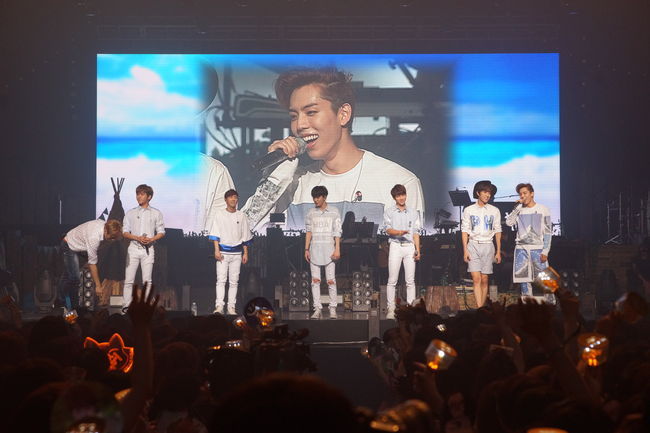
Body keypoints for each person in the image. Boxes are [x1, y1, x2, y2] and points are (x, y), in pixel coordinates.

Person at [241, 67, 424, 232]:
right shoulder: (290, 185)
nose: (300, 125)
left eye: (311, 112)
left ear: (343, 114)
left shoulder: (398, 182)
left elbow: (407, 248)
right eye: (294, 116)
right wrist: (274, 177)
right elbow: (239, 234)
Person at [57, 219, 123, 309]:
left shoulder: (106, 225)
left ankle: (63, 299)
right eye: (111, 237)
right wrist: (98, 286)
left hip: (81, 246)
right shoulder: (94, 237)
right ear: (105, 230)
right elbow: (92, 264)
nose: (112, 240)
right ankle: (65, 303)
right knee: (75, 278)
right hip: (69, 245)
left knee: (68, 275)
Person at [505, 182, 554, 303]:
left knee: (545, 278)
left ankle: (551, 303)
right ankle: (527, 305)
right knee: (523, 280)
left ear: (532, 194)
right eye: (520, 194)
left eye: (525, 193)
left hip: (538, 248)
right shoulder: (519, 209)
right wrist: (517, 208)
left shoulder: (543, 209)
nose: (522, 196)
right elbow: (508, 223)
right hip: (521, 249)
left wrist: (545, 251)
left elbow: (548, 232)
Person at [122, 184, 166, 310]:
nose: (138, 197)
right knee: (129, 280)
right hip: (133, 248)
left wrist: (151, 239)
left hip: (148, 249)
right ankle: (126, 306)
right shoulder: (130, 213)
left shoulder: (156, 213)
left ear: (149, 197)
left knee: (147, 281)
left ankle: (146, 307)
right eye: (137, 194)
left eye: (142, 194)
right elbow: (124, 232)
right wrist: (137, 238)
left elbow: (162, 232)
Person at [209, 189, 252, 315]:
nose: (233, 199)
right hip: (223, 252)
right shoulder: (220, 214)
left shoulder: (241, 215)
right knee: (221, 280)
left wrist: (245, 253)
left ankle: (231, 307)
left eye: (235, 197)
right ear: (226, 199)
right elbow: (215, 233)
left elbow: (245, 235)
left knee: (234, 282)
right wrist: (216, 250)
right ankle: (219, 306)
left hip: (237, 253)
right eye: (231, 197)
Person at [382, 184, 422, 320]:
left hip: (410, 247)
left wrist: (417, 250)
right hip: (395, 246)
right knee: (392, 280)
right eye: (398, 196)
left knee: (410, 281)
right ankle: (391, 309)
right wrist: (399, 232)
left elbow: (416, 233)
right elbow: (387, 229)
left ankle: (410, 309)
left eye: (403, 195)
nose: (401, 198)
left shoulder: (413, 212)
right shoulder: (389, 212)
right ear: (394, 197)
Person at [461, 180, 502, 308]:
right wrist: (465, 250)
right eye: (485, 192)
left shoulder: (494, 210)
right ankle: (480, 308)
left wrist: (498, 251)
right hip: (473, 244)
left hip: (488, 245)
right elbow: (464, 231)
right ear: (478, 193)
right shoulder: (469, 210)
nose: (487, 195)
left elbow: (498, 231)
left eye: (489, 192)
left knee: (484, 279)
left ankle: (482, 306)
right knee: (476, 278)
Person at [304, 186, 342, 319]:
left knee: (331, 281)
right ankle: (317, 308)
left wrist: (337, 249)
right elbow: (308, 232)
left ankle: (333, 308)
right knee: (315, 281)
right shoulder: (311, 213)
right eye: (313, 197)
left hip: (330, 251)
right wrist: (306, 249)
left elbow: (337, 232)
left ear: (324, 197)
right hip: (314, 250)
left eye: (317, 197)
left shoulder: (334, 211)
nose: (315, 200)